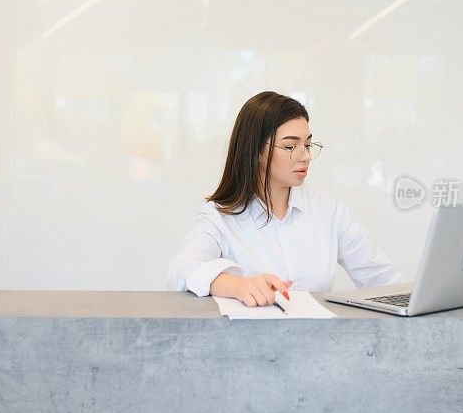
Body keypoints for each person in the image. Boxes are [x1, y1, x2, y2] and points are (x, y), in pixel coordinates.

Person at [166, 91, 403, 307]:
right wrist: (238, 285)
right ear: (256, 151)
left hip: (320, 342)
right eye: (291, 146)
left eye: (308, 145)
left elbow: (384, 280)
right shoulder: (220, 216)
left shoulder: (329, 210)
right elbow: (181, 270)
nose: (306, 156)